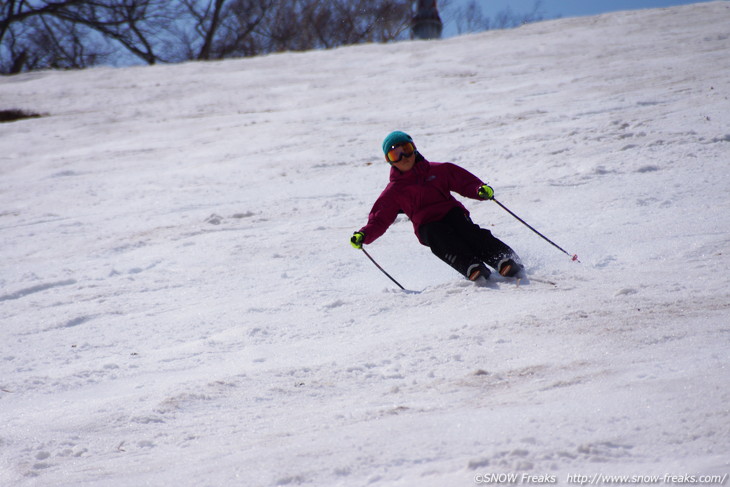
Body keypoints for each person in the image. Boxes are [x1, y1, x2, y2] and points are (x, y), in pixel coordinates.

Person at [350, 131, 523, 282]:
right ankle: (470, 266)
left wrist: (479, 190)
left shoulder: (439, 170)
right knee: (439, 239)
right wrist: (364, 235)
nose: (404, 157)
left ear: (414, 149)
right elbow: (380, 219)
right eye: (396, 155)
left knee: (466, 230)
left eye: (407, 150)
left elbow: (464, 182)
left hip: (451, 212)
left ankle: (503, 258)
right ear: (389, 161)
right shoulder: (394, 191)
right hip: (427, 224)